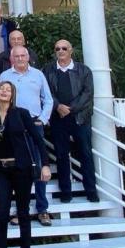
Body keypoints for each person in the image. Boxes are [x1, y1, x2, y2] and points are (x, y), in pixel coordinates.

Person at [0, 81, 51, 248]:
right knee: (2, 214)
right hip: (2, 171)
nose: (4, 92)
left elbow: (38, 140)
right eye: (1, 89)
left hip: (21, 170)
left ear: (12, 95)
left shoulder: (21, 114)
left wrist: (45, 164)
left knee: (22, 214)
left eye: (8, 90)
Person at [0, 45, 54, 226]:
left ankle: (42, 209)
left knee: (38, 166)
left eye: (23, 55)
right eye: (17, 56)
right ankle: (20, 208)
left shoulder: (38, 74)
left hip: (34, 124)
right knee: (18, 168)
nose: (20, 58)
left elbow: (48, 99)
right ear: (12, 58)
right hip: (13, 127)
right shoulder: (5, 76)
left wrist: (43, 119)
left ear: (28, 57)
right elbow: (1, 99)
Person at [43, 40, 99, 202]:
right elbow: (45, 92)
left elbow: (87, 93)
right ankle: (65, 192)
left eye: (64, 48)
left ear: (71, 50)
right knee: (61, 155)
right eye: (57, 48)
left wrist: (70, 109)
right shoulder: (48, 70)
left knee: (85, 153)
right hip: (58, 118)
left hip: (79, 118)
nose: (60, 51)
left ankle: (91, 190)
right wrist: (58, 106)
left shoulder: (83, 70)